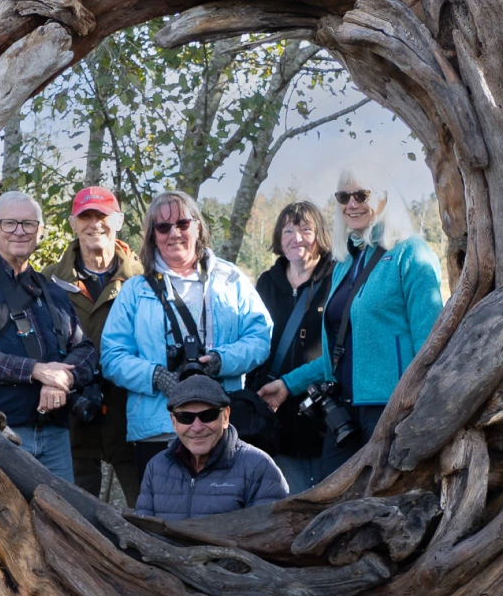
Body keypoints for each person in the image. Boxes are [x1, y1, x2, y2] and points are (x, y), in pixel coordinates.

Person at [259, 168, 444, 477]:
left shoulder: (411, 254)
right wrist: (288, 385)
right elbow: (338, 351)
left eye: (362, 195)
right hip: (343, 412)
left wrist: (418, 407)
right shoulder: (347, 263)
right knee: (332, 506)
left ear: (384, 199)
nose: (352, 204)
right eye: (344, 197)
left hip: (391, 409)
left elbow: (433, 343)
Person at [100, 190, 273, 472]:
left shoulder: (230, 279)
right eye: (163, 226)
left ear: (197, 227)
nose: (174, 233)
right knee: (164, 515)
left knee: (224, 512)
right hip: (158, 429)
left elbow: (260, 337)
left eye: (182, 223)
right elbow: (112, 356)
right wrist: (155, 376)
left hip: (221, 427)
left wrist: (220, 361)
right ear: (152, 235)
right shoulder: (135, 289)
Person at [0, 191, 98, 482]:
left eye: (28, 224)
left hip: (56, 437)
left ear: (39, 232)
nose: (19, 231)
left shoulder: (54, 291)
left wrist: (62, 379)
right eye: (9, 224)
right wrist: (37, 371)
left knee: (63, 523)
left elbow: (85, 350)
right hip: (1, 434)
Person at [41, 186, 146, 505]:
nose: (94, 223)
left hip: (131, 409)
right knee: (74, 510)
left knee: (147, 508)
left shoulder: (144, 278)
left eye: (102, 216)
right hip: (73, 411)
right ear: (73, 223)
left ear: (119, 221)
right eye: (86, 216)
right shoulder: (49, 280)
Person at [251, 201, 334, 494]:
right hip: (277, 416)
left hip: (326, 417)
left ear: (320, 234)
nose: (296, 238)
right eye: (288, 230)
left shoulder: (337, 278)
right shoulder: (266, 283)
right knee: (286, 504)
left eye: (305, 229)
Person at [135, 375, 289, 520]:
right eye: (185, 418)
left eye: (208, 415)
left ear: (226, 416)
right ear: (174, 422)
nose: (197, 427)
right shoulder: (156, 468)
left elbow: (269, 539)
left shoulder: (259, 467)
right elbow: (143, 534)